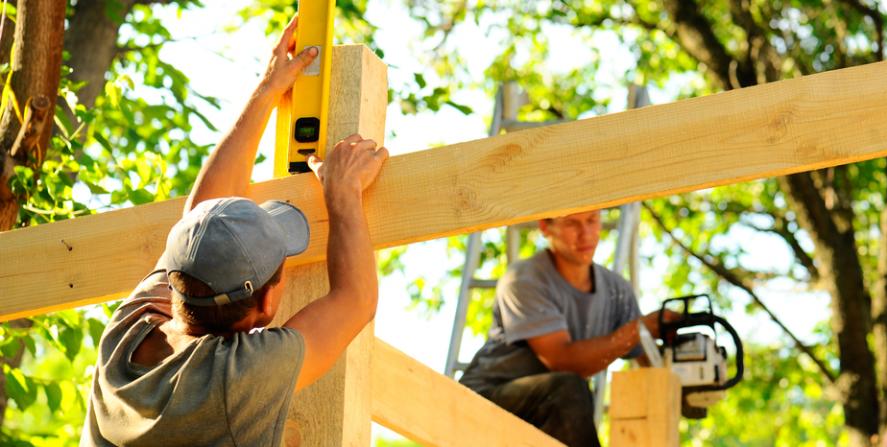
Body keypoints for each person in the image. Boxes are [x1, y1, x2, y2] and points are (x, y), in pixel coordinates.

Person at [80, 16, 389, 446]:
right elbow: (355, 299)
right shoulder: (239, 378)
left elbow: (199, 218)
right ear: (265, 303)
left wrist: (266, 91)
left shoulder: (128, 334)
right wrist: (343, 194)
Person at [459, 210, 670, 447]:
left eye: (592, 220)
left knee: (570, 393)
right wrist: (637, 330)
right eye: (572, 224)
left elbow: (650, 363)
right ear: (545, 227)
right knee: (568, 390)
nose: (585, 234)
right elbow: (561, 360)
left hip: (546, 416)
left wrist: (685, 373)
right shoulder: (524, 279)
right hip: (482, 404)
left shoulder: (616, 290)